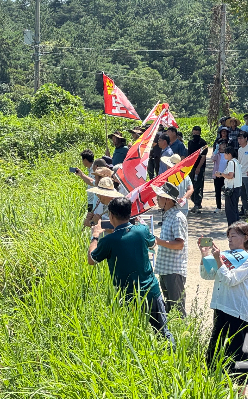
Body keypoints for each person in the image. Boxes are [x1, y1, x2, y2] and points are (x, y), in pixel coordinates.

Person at [88, 197, 173, 342]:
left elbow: (92, 260)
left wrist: (95, 236)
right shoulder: (141, 230)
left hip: (127, 296)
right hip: (151, 291)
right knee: (163, 332)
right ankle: (173, 359)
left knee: (131, 336)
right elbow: (152, 244)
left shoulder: (108, 241)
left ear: (111, 215)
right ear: (130, 214)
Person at [198, 221, 248, 387]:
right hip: (221, 308)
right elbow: (208, 275)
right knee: (216, 353)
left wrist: (218, 259)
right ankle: (218, 390)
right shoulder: (224, 256)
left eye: (233, 235)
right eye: (228, 236)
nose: (229, 239)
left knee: (238, 358)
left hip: (238, 313)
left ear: (245, 237)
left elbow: (230, 279)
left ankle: (239, 395)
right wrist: (204, 255)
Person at [153, 182, 188, 317]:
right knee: (169, 307)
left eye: (159, 196)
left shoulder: (178, 217)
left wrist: (159, 241)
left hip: (174, 270)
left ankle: (182, 335)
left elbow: (179, 244)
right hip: (166, 268)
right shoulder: (168, 215)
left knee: (177, 309)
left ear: (167, 199)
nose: (157, 199)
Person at [216, 147, 242, 226]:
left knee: (230, 211)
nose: (224, 155)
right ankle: (236, 228)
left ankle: (232, 228)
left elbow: (230, 176)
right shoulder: (236, 161)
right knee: (235, 210)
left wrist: (221, 174)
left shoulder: (231, 162)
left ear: (229, 154)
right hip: (237, 188)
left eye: (225, 153)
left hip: (232, 189)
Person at [187, 126, 208, 213]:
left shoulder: (203, 143)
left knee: (198, 185)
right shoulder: (190, 142)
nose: (195, 133)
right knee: (191, 185)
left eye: (197, 131)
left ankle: (197, 204)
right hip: (191, 167)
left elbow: (203, 157)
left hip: (199, 167)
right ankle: (195, 201)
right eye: (194, 131)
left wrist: (198, 168)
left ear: (200, 132)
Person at [211, 140, 228, 214]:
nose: (223, 145)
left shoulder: (228, 154)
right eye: (222, 144)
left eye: (225, 144)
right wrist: (216, 150)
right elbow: (212, 159)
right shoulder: (217, 154)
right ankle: (218, 207)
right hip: (217, 175)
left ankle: (228, 206)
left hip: (226, 176)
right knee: (217, 191)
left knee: (227, 192)